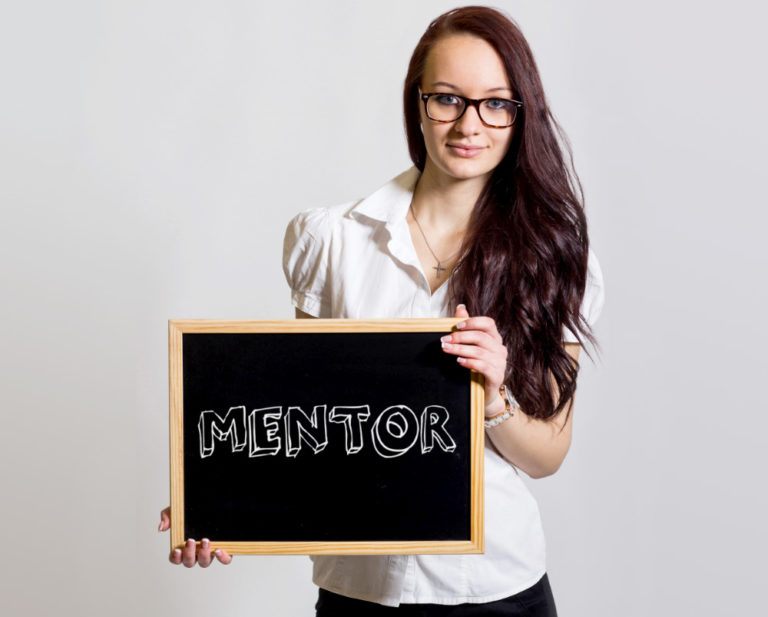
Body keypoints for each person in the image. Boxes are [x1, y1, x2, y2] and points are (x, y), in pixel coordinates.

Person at [160, 6, 604, 616]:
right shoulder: (333, 240)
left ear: (520, 114)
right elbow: (306, 421)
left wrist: (495, 396)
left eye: (496, 104)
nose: (469, 124)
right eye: (447, 99)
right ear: (417, 103)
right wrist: (220, 501)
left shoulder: (555, 258)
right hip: (359, 591)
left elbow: (548, 455)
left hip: (496, 587)